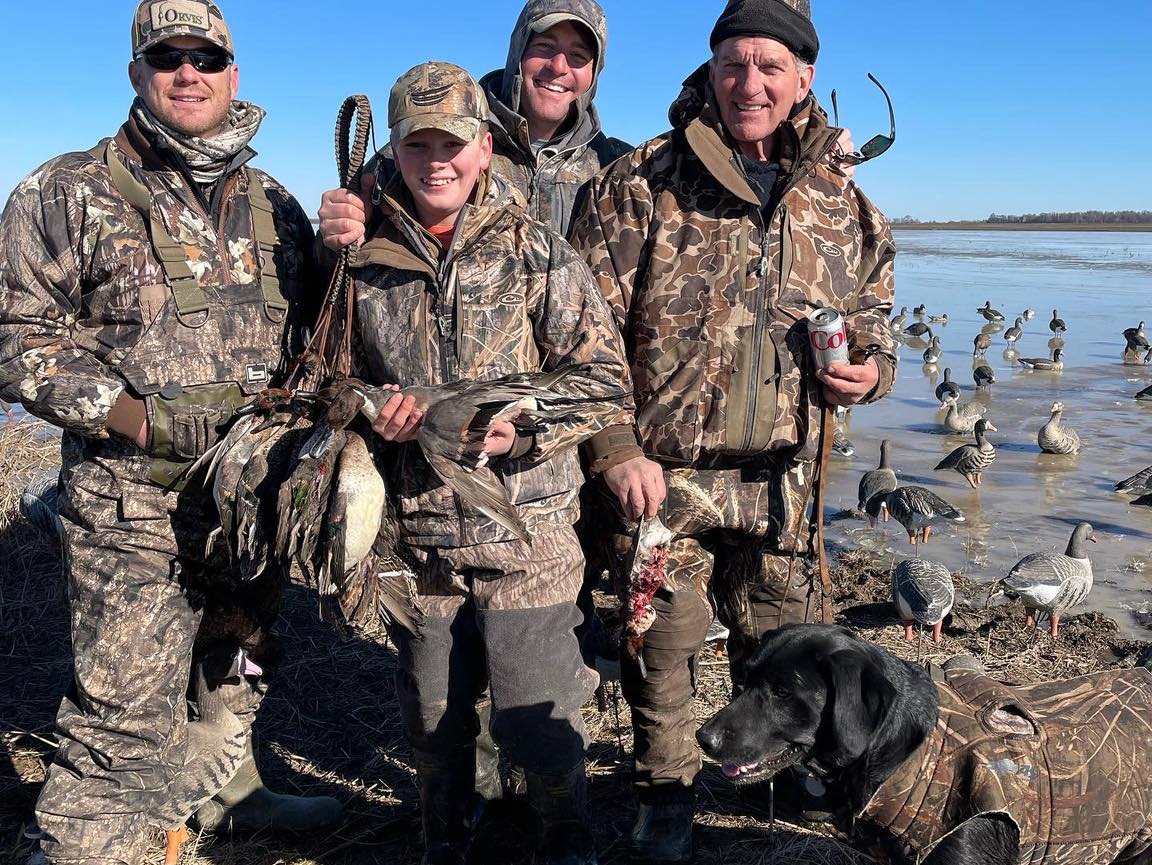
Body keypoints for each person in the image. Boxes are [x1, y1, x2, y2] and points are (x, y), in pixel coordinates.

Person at [0, 2, 342, 862]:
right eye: (166, 55)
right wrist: (137, 419)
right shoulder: (65, 190)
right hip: (130, 505)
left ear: (234, 75)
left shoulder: (274, 202)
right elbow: (14, 337)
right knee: (122, 716)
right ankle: (89, 847)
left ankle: (227, 795)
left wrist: (348, 257)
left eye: (206, 56)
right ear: (136, 74)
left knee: (234, 668)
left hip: (247, 503)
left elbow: (315, 338)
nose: (187, 71)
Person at [567, 0, 898, 861]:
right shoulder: (639, 182)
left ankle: (779, 791)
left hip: (790, 480)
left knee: (782, 649)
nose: (749, 83)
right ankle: (666, 802)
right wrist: (614, 446)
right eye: (733, 63)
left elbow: (876, 316)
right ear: (710, 70)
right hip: (665, 477)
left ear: (804, 79)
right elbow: (578, 338)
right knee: (662, 654)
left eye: (770, 66)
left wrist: (871, 371)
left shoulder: (840, 199)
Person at [316, 0, 633, 804]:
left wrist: (520, 429)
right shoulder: (361, 262)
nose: (436, 161)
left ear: (484, 147)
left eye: (451, 143)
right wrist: (366, 409)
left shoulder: (537, 252)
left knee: (537, 723)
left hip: (526, 535)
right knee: (434, 721)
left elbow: (603, 382)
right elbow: (320, 378)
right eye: (417, 144)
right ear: (394, 149)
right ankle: (445, 840)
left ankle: (564, 845)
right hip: (417, 539)